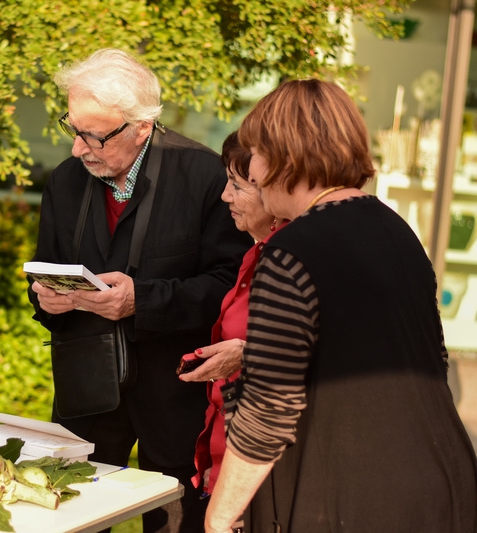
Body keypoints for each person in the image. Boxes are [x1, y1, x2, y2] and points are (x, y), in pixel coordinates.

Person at [204, 79, 477, 533]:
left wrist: (220, 515)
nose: (249, 173)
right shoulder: (395, 229)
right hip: (442, 479)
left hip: (356, 497)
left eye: (253, 154)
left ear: (280, 157)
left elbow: (270, 408)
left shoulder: (292, 250)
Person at [28, 48, 252, 532]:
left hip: (175, 396)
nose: (78, 148)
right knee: (66, 518)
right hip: (85, 389)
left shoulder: (205, 176)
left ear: (142, 127)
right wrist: (45, 299)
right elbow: (43, 273)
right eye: (73, 128)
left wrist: (139, 301)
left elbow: (227, 288)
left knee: (175, 523)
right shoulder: (64, 182)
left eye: (93, 135)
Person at [179, 132, 287, 510]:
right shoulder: (254, 253)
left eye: (237, 186)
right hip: (226, 453)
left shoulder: (286, 260)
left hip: (257, 470)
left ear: (274, 192)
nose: (225, 196)